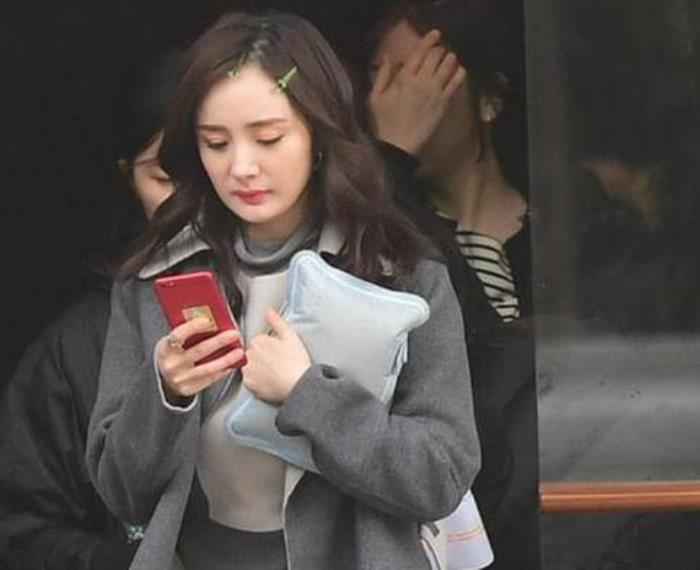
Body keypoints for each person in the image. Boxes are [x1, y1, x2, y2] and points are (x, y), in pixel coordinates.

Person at [86, 10, 480, 570]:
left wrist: (307, 393)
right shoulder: (156, 278)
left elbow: (441, 476)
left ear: (319, 134)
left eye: (268, 138)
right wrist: (166, 393)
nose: (241, 167)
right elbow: (120, 494)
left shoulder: (401, 273)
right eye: (215, 143)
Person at [366, 1, 539, 568]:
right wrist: (387, 158)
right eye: (378, 77)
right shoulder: (384, 232)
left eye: (414, 74)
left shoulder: (573, 225)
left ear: (489, 98)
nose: (389, 98)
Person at [0, 51, 181, 570]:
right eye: (165, 176)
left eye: (211, 160)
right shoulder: (78, 345)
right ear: (128, 177)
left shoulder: (307, 310)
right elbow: (21, 527)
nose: (192, 199)